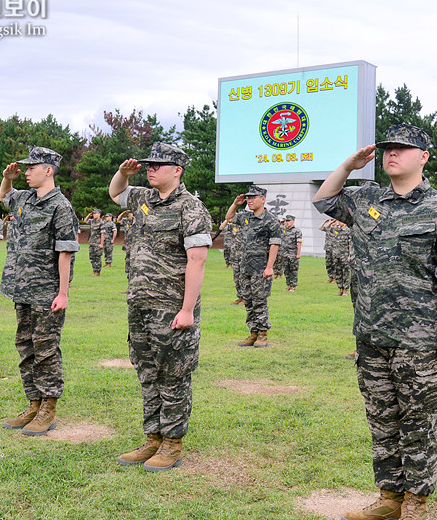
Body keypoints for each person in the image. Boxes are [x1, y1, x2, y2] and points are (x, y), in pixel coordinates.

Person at [313, 124, 437, 520]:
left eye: (402, 148)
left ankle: (416, 503)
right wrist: (349, 165)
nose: (392, 154)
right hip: (371, 334)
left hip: (419, 340)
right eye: (387, 149)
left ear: (424, 157)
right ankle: (388, 497)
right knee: (382, 421)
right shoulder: (366, 199)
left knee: (417, 423)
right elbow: (323, 199)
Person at [109, 143, 212, 472]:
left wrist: (187, 309)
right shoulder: (142, 199)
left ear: (177, 170)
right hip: (140, 304)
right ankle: (153, 438)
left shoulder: (191, 207)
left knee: (174, 375)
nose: (150, 169)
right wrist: (123, 174)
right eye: (148, 165)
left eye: (158, 165)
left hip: (172, 308)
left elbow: (197, 261)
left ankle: (172, 443)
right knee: (148, 373)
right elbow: (116, 193)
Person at [0, 147, 79, 435]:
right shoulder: (24, 198)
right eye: (25, 167)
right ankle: (33, 403)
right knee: (26, 346)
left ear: (49, 170)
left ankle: (48, 407)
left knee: (46, 349)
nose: (27, 171)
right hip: (21, 288)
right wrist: (7, 178)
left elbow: (66, 253)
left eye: (32, 167)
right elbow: (4, 197)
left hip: (46, 292)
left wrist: (63, 292)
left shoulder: (61, 206)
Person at [224, 185, 281, 348]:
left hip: (261, 268)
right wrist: (235, 204)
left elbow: (275, 244)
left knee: (259, 301)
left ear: (263, 199)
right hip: (245, 267)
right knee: (248, 300)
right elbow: (229, 217)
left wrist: (270, 267)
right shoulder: (245, 217)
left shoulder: (270, 220)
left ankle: (262, 334)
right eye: (248, 198)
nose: (249, 200)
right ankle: (253, 333)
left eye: (253, 197)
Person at [280, 214, 303, 292]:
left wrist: (298, 253)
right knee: (286, 270)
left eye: (289, 221)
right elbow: (275, 228)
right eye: (287, 221)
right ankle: (288, 285)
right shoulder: (283, 229)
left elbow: (299, 243)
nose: (287, 222)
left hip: (293, 253)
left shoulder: (297, 231)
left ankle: (293, 286)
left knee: (293, 270)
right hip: (284, 253)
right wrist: (281, 222)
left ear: (293, 221)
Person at [116, 210, 135, 277]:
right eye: (130, 213)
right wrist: (122, 214)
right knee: (127, 258)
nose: (131, 214)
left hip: (135, 243)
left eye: (132, 213)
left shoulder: (138, 221)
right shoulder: (126, 221)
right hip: (128, 243)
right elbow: (118, 220)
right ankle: (128, 273)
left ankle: (134, 272)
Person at [85, 209, 103, 276]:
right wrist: (89, 215)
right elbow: (85, 221)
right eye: (93, 213)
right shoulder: (92, 221)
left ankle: (97, 272)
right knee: (92, 257)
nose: (93, 215)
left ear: (99, 214)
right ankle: (94, 270)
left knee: (97, 257)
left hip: (97, 243)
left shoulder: (101, 222)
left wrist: (101, 243)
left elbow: (103, 234)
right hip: (91, 242)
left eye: (95, 213)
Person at [320, 218, 336, 283]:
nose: (332, 222)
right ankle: (330, 277)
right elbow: (320, 228)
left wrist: (331, 223)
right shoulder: (328, 229)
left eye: (334, 221)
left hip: (335, 249)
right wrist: (325, 222)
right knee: (328, 264)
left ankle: (335, 278)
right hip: (328, 248)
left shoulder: (338, 230)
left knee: (334, 264)